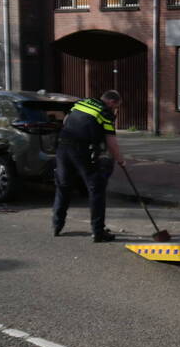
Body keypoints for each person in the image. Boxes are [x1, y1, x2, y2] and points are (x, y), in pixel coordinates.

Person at [52, 90, 126, 242]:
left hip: (63, 147)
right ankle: (98, 232)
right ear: (111, 102)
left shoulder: (82, 102)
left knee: (63, 186)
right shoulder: (104, 113)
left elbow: (66, 121)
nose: (115, 110)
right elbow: (111, 141)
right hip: (82, 150)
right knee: (96, 188)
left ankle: (57, 225)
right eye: (116, 107)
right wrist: (120, 159)